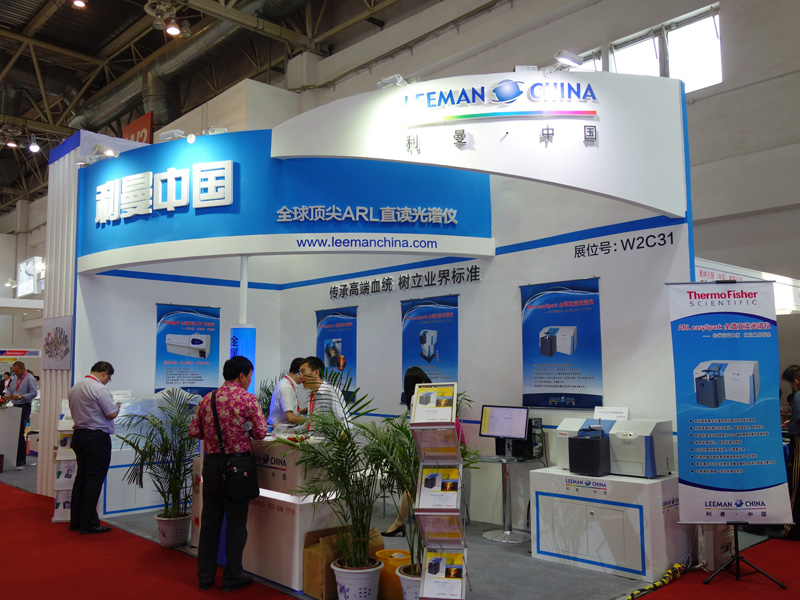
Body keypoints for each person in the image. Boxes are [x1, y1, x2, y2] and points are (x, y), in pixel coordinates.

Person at [189, 356, 268, 592]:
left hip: (212, 465)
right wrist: (243, 429)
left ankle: (205, 577)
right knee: (236, 524)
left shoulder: (208, 399)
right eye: (250, 376)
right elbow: (261, 433)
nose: (250, 380)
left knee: (210, 522)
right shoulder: (247, 399)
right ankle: (232, 577)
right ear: (242, 376)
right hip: (238, 467)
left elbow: (194, 431)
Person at [68, 361, 119, 533]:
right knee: (94, 480)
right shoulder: (99, 388)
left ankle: (76, 521)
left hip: (79, 436)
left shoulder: (75, 387)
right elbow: (111, 413)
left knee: (81, 478)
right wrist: (118, 407)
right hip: (96, 437)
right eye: (108, 378)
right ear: (105, 373)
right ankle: (89, 523)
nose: (107, 381)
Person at [382, 367, 433, 537]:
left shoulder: (416, 398)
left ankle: (399, 523)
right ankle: (399, 522)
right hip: (427, 446)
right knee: (412, 485)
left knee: (413, 485)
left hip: (426, 445)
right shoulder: (419, 398)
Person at [6, 361, 38, 470]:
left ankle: (21, 460)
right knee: (15, 433)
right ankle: (14, 458)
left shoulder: (29, 378)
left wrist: (21, 396)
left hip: (24, 406)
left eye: (17, 371)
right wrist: (7, 395)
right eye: (14, 371)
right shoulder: (14, 379)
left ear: (23, 368)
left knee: (20, 432)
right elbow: (9, 390)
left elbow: (34, 393)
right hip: (15, 406)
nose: (15, 373)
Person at [781, 365, 800, 539]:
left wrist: (793, 422)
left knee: (795, 484)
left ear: (795, 381)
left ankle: (790, 528)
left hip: (799, 441)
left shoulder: (798, 396)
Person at [299, 356, 347, 423]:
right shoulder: (311, 395)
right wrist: (292, 429)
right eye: (299, 373)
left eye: (303, 372)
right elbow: (310, 424)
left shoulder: (331, 392)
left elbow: (344, 422)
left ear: (316, 373)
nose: (300, 377)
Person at [267, 357, 307, 428]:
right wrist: (307, 420)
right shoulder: (287, 387)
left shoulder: (286, 383)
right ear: (299, 372)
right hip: (280, 429)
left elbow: (284, 410)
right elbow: (290, 417)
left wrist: (300, 411)